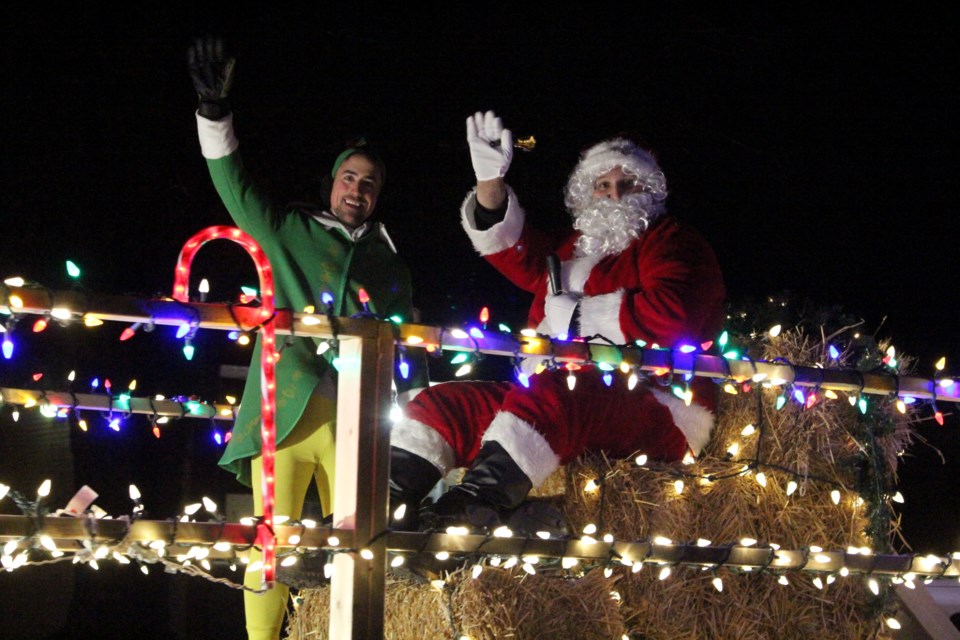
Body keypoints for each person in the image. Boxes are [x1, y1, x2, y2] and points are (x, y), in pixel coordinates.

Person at [186, 37, 428, 640]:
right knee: (272, 542)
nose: (357, 189)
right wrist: (214, 114)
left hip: (359, 420)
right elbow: (235, 187)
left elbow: (409, 354)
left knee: (360, 548)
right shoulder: (291, 229)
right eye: (349, 177)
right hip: (285, 411)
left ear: (378, 195)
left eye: (369, 183)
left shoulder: (391, 266)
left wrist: (422, 428)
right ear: (332, 184)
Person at [387, 110, 726, 535]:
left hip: (656, 405)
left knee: (554, 394)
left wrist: (580, 317)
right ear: (587, 193)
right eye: (603, 186)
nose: (614, 196)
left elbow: (674, 315)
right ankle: (378, 509)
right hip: (560, 395)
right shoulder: (573, 248)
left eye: (628, 185)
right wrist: (490, 183)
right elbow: (517, 251)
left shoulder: (673, 240)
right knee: (449, 404)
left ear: (650, 191)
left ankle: (472, 508)